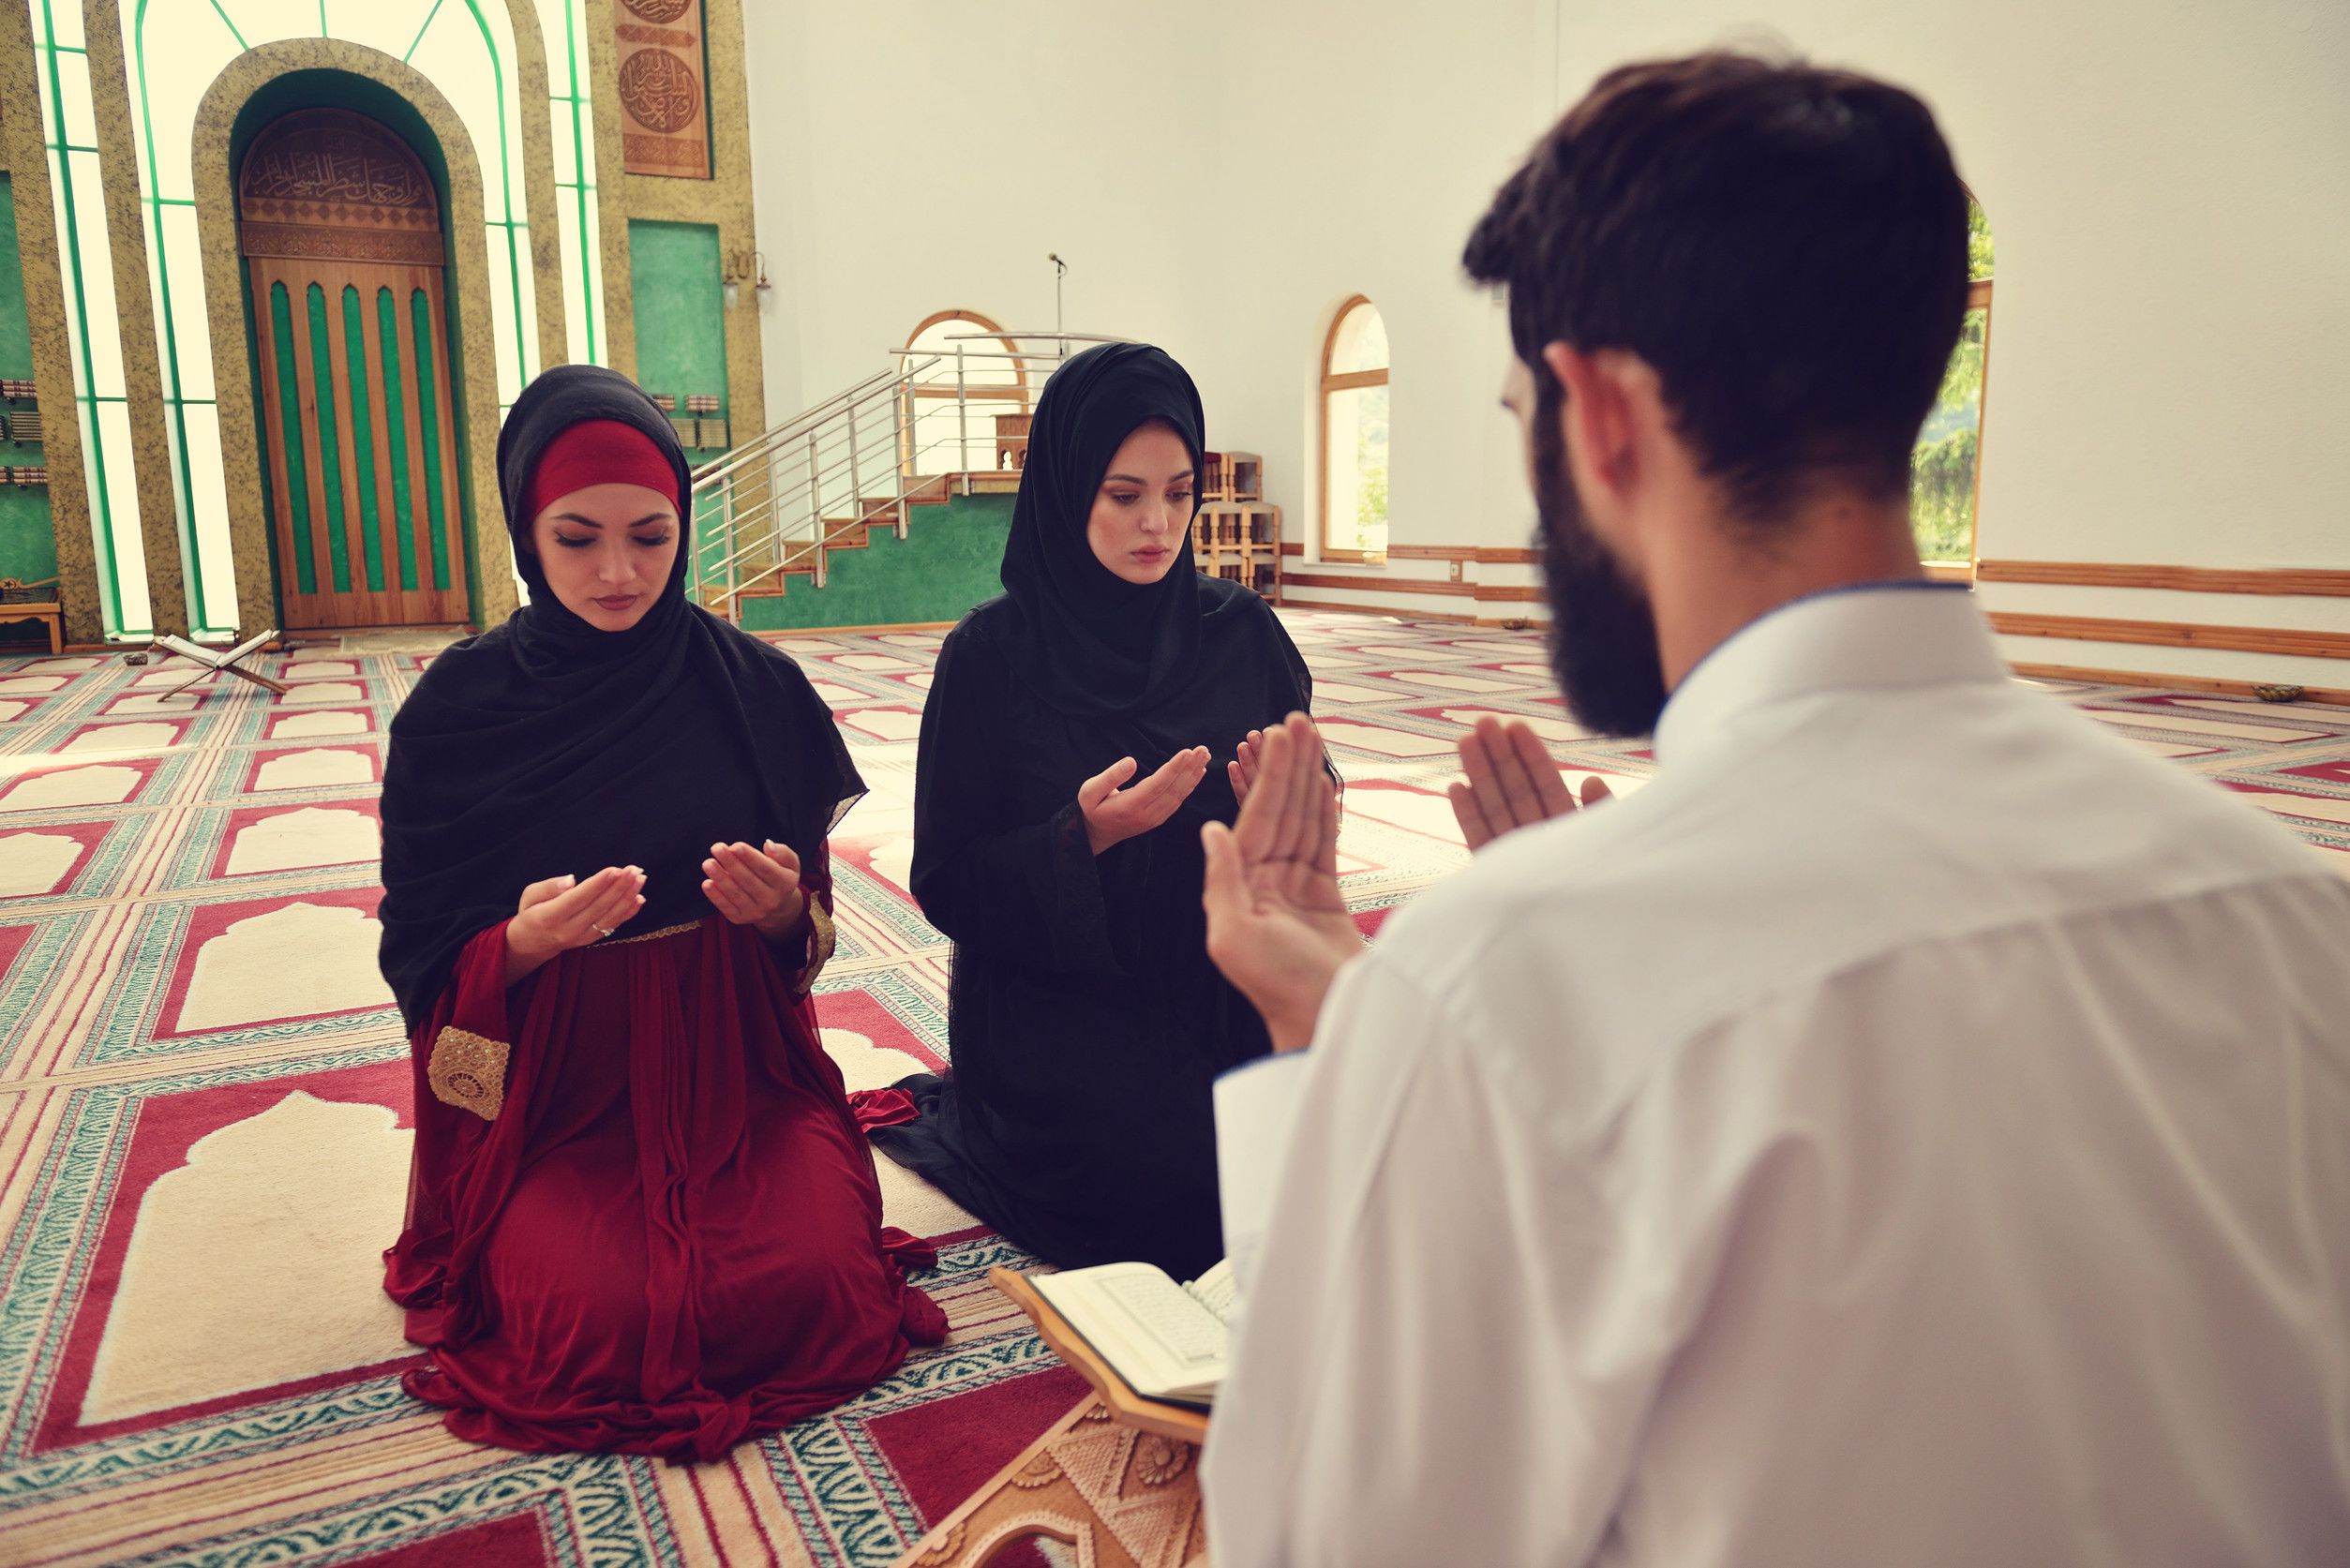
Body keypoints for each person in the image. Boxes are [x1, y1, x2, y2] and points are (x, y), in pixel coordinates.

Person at [1194, 52, 2350, 1567]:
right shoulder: (2290, 913)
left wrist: (1327, 1046)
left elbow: (1320, 1537)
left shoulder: (1493, 985)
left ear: (1598, 414)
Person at [377, 364, 945, 1461]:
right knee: (599, 1316)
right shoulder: (460, 714)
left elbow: (806, 948)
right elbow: (425, 968)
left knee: (812, 1278)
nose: (619, 570)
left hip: (737, 1071)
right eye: (577, 536)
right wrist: (521, 945)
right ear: (523, 533)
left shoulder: (755, 689)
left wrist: (784, 914)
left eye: (650, 533)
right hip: (557, 1090)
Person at [861, 343, 1316, 1280]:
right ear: (1067, 487)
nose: (1157, 523)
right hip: (1057, 1008)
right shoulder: (988, 658)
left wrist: (1292, 804)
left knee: (1314, 1147)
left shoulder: (1243, 634)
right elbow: (944, 877)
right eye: (1122, 494)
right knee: (1158, 1187)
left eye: (1180, 491)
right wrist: (1086, 837)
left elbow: (1312, 791)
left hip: (1222, 985)